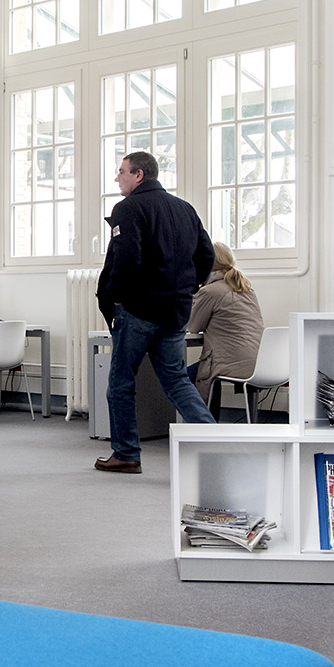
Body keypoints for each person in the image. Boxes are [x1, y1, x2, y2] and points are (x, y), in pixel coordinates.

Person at [94, 151, 216, 473]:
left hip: (138, 311)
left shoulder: (127, 208)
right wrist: (188, 287)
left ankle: (126, 454)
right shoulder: (185, 208)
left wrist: (117, 297)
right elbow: (207, 255)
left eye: (121, 171)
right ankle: (217, 442)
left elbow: (127, 258)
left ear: (139, 175)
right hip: (175, 312)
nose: (117, 177)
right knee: (176, 380)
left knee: (121, 383)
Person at [187, 241, 264, 414]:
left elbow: (193, 326)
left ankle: (203, 424)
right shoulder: (245, 288)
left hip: (232, 363)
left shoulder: (211, 291)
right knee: (207, 371)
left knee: (182, 378)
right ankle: (210, 423)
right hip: (259, 363)